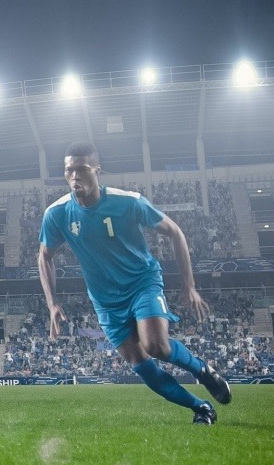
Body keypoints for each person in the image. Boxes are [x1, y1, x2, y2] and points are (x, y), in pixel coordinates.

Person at [38, 143, 232, 424]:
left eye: (82, 170)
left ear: (97, 171)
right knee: (141, 365)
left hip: (142, 283)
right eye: (69, 171)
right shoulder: (57, 213)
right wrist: (52, 303)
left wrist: (188, 285)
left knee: (156, 347)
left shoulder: (128, 202)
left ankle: (202, 370)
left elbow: (175, 232)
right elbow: (44, 256)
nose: (75, 176)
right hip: (105, 300)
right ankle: (201, 407)